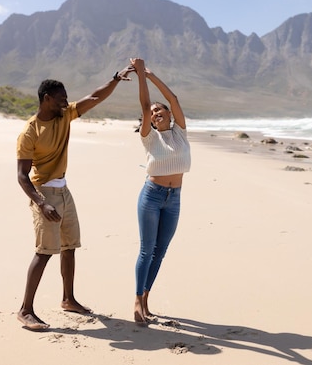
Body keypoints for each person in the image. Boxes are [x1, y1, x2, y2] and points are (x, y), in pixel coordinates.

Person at [16, 67, 133, 330]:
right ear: (46, 98)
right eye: (60, 98)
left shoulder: (64, 115)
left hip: (64, 191)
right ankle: (25, 310)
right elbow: (22, 176)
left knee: (70, 247)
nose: (65, 102)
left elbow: (94, 98)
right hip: (44, 193)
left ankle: (68, 299)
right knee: (45, 252)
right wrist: (41, 203)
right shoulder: (30, 132)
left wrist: (114, 80)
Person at [130, 58, 191, 325]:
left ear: (168, 113)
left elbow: (174, 98)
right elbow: (144, 107)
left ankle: (146, 299)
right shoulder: (150, 137)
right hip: (152, 196)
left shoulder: (180, 133)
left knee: (160, 251)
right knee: (147, 250)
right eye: (152, 113)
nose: (155, 113)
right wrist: (141, 76)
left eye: (160, 110)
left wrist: (151, 74)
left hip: (174, 199)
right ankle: (136, 301)